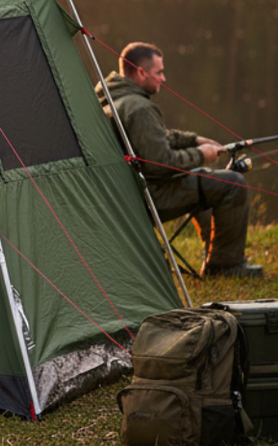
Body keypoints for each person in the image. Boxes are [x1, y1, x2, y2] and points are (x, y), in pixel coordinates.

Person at [96, 41, 262, 279]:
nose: (163, 79)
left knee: (204, 178)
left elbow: (157, 139)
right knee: (232, 183)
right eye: (159, 72)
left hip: (124, 194)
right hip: (147, 198)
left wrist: (194, 140)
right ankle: (225, 266)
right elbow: (160, 162)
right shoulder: (139, 108)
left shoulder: (113, 99)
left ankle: (216, 258)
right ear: (141, 72)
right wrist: (201, 155)